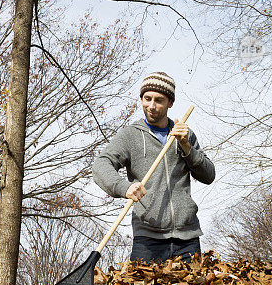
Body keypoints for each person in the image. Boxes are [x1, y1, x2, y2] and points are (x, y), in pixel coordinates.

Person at [92, 72, 215, 262]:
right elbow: (100, 165)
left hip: (188, 238)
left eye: (159, 100)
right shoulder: (130, 135)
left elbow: (209, 175)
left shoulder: (184, 134)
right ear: (141, 99)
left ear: (170, 103)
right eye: (147, 98)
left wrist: (187, 148)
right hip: (148, 239)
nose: (151, 105)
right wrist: (125, 187)